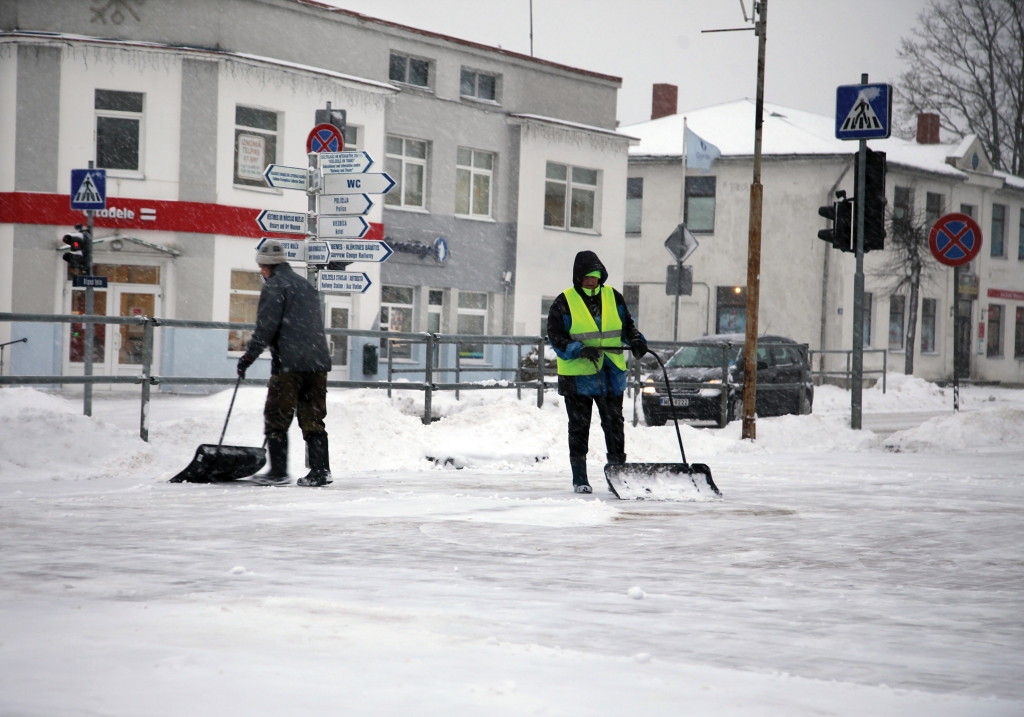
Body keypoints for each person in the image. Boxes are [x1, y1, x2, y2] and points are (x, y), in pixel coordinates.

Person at [547, 250, 647, 493]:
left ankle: (618, 474)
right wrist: (578, 350)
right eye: (587, 276)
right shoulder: (564, 302)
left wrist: (636, 340)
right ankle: (580, 478)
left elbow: (627, 327)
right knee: (579, 426)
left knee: (614, 424)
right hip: (578, 376)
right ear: (578, 277)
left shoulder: (615, 297)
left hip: (610, 372)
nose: (592, 280)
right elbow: (555, 337)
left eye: (596, 275)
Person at [236, 240, 333, 487]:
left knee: (276, 417)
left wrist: (248, 357)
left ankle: (278, 472)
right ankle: (321, 471)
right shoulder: (305, 286)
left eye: (261, 266)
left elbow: (266, 328)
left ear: (267, 266)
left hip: (289, 365)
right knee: (313, 418)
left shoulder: (275, 286)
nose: (260, 271)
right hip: (317, 362)